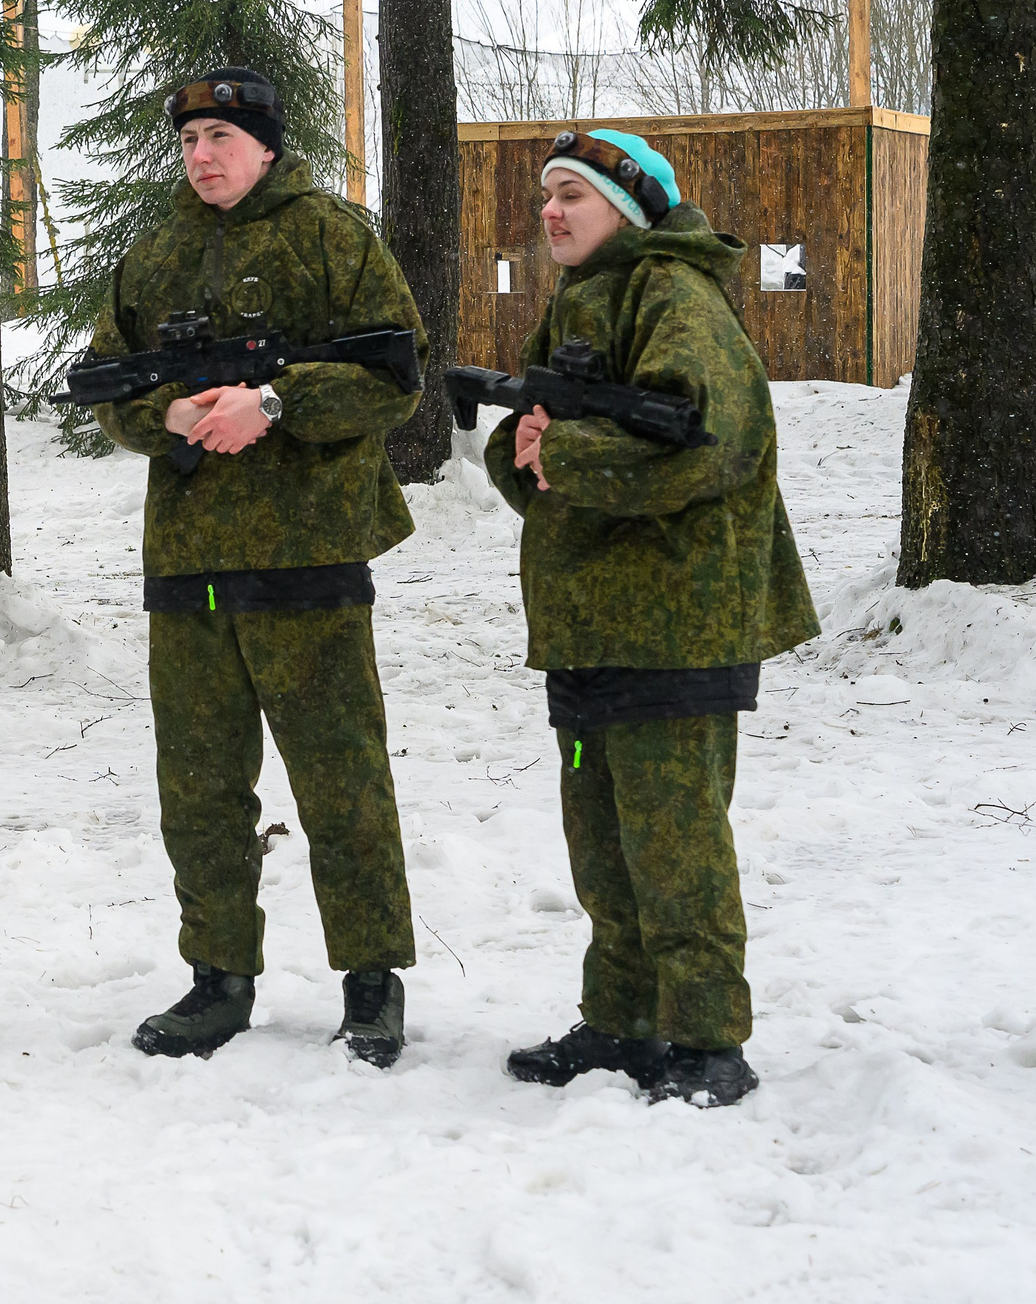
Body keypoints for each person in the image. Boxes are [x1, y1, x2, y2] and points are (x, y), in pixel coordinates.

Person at [87, 69, 428, 1066]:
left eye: (220, 137)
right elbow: (109, 382)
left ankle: (371, 983)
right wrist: (170, 417)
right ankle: (217, 979)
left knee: (340, 779)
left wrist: (273, 403)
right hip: (187, 558)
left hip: (308, 550)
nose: (201, 155)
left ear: (266, 145)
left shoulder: (330, 238)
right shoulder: (154, 254)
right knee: (196, 786)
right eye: (190, 138)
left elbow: (393, 376)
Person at [485, 128, 818, 1108]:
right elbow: (542, 464)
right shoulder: (584, 299)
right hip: (593, 627)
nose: (549, 211)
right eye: (545, 194)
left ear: (626, 209)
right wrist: (528, 450)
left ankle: (708, 1039)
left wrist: (564, 454)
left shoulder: (674, 299)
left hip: (675, 625)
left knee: (674, 844)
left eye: (570, 196)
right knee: (602, 844)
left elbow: (705, 447)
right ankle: (624, 1021)